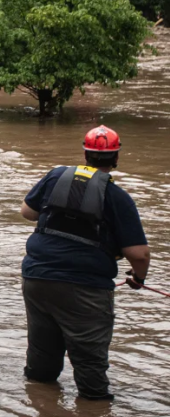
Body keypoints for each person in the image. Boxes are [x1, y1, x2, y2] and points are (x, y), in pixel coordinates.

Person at [19, 125, 151, 401]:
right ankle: (92, 415)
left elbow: (27, 212)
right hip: (85, 288)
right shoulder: (118, 198)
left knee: (42, 358)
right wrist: (138, 279)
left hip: (37, 278)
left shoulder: (56, 176)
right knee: (90, 365)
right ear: (116, 158)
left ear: (85, 154)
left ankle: (41, 409)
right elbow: (139, 254)